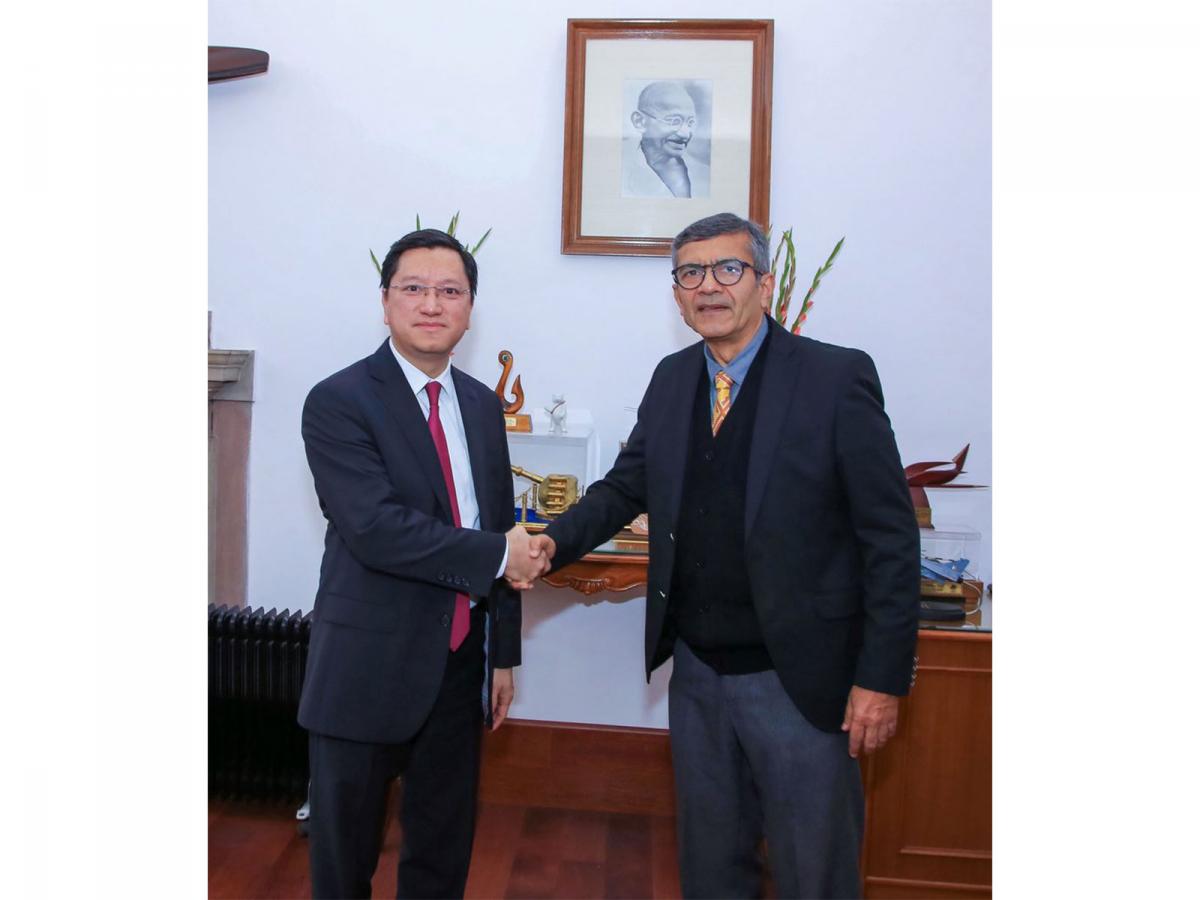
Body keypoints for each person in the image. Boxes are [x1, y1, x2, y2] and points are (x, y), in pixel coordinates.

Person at [529, 213, 920, 898]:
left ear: (764, 284)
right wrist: (548, 543)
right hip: (698, 675)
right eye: (690, 273)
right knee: (711, 870)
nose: (708, 286)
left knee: (814, 874)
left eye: (728, 269)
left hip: (802, 681)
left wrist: (881, 679)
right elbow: (625, 487)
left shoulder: (834, 378)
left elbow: (889, 539)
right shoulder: (672, 378)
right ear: (677, 295)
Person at [298, 228, 549, 899]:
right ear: (385, 302)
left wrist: (501, 656)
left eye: (450, 291)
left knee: (442, 854)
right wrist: (500, 554)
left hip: (460, 665)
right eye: (413, 288)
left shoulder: (482, 404)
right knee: (344, 863)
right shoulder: (339, 400)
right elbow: (376, 530)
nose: (432, 304)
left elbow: (497, 523)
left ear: (470, 308)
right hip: (367, 664)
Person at [622, 80, 711, 199]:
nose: (685, 134)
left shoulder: (705, 174)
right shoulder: (618, 167)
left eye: (690, 123)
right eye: (674, 121)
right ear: (640, 122)